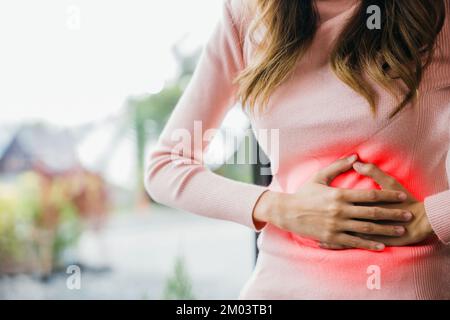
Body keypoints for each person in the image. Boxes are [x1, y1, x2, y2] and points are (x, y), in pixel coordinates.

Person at [145, 0, 450, 299]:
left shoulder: (435, 12)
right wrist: (280, 208)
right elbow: (167, 164)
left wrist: (432, 217)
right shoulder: (247, 14)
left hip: (409, 285)